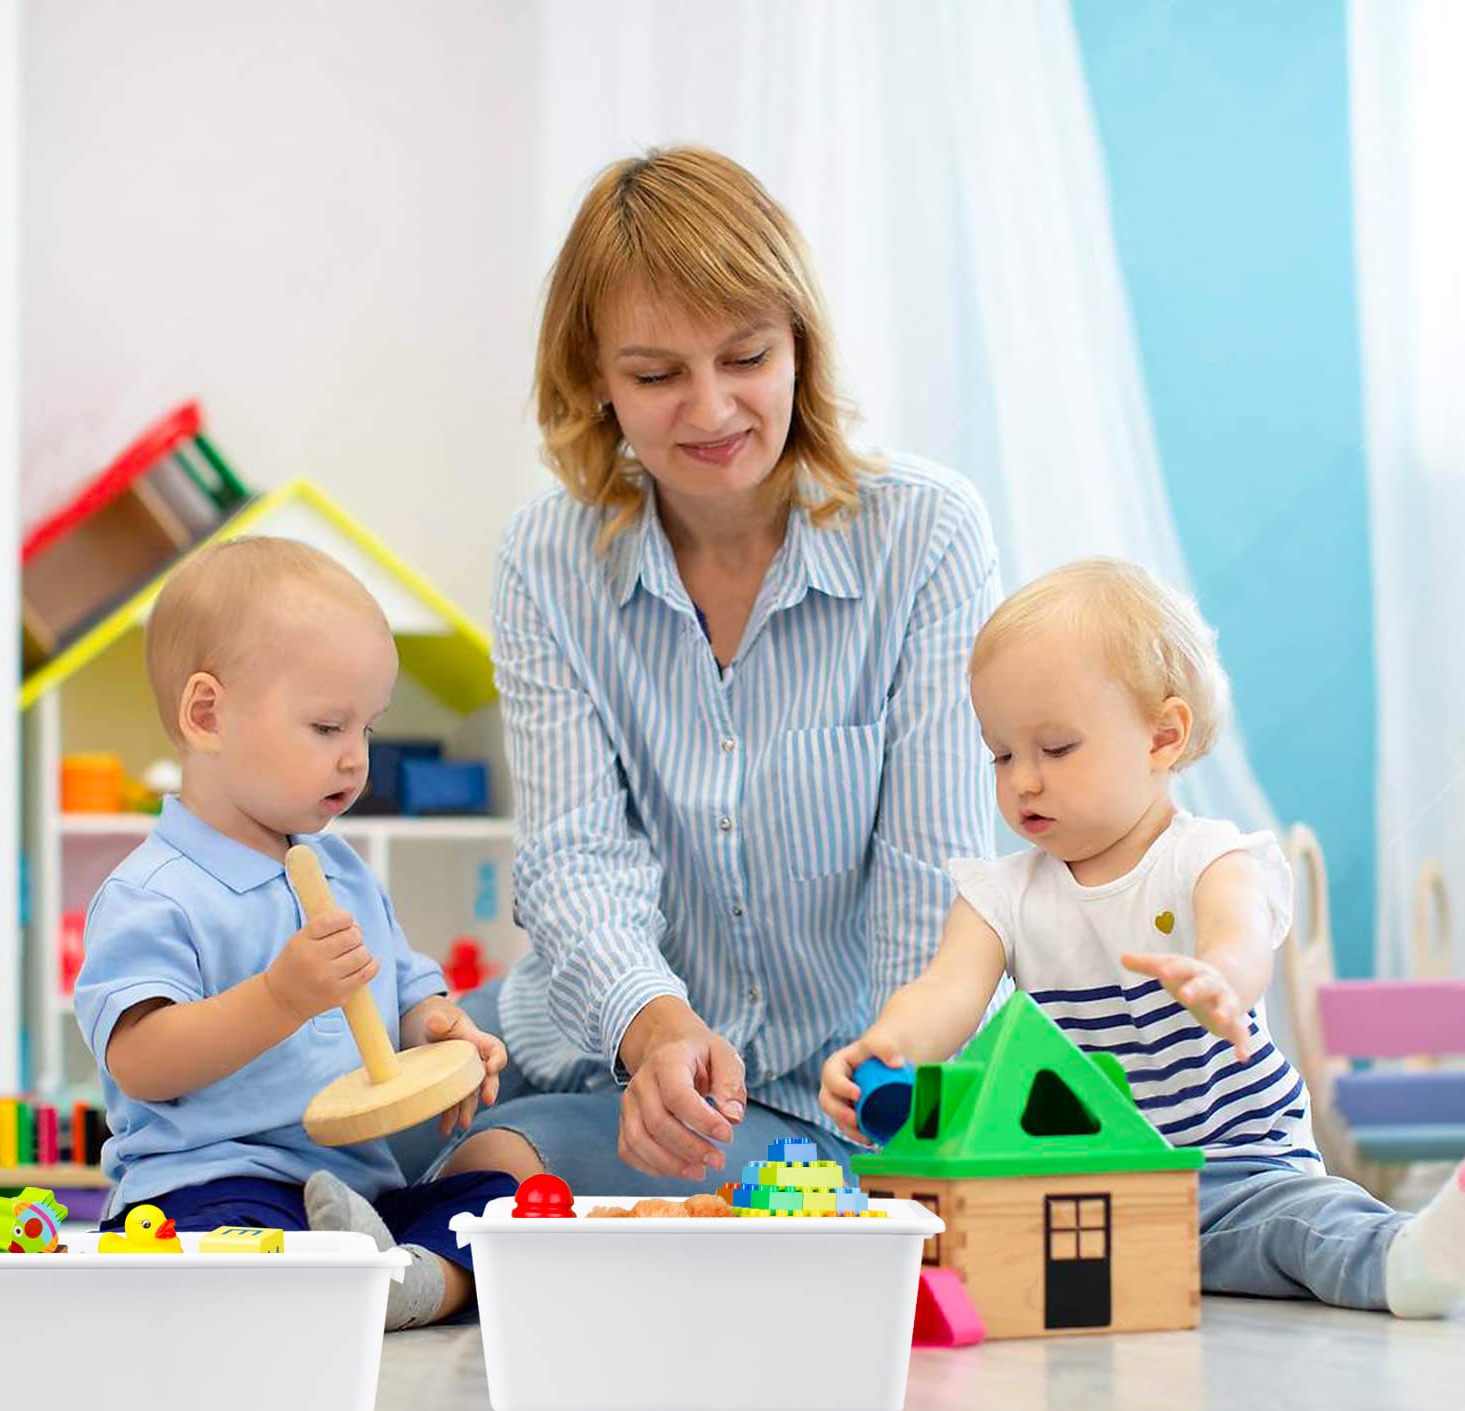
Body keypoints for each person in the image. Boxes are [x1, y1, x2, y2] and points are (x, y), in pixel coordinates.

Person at [431, 144, 1001, 1197]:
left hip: (821, 1101)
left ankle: (443, 1231)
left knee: (515, 1165)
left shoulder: (926, 535)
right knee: (327, 1122)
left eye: (745, 358)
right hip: (589, 1045)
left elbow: (937, 884)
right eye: (655, 374)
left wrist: (898, 1110)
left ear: (801, 352)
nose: (710, 410)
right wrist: (653, 1024)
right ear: (595, 381)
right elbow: (572, 855)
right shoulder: (546, 559)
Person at [820, 557, 1465, 1316]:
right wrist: (891, 1047)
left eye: (1055, 749)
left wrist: (1221, 976)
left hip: (1232, 1168)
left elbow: (1242, 930)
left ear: (1163, 737)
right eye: (1001, 754)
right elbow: (948, 988)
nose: (1023, 780)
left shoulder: (1205, 856)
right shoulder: (1002, 893)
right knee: (957, 1229)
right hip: (1086, 1178)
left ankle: (1403, 1262)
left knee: (1298, 1225)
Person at [72, 536, 509, 1329]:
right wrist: (280, 996)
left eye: (367, 731)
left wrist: (440, 1027)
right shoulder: (153, 894)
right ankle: (349, 1277)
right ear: (208, 716)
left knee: (496, 1197)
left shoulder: (339, 869)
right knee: (223, 1247)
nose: (355, 763)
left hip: (360, 1184)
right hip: (212, 1181)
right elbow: (141, 1061)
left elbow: (404, 985)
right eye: (326, 727)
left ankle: (404, 1283)